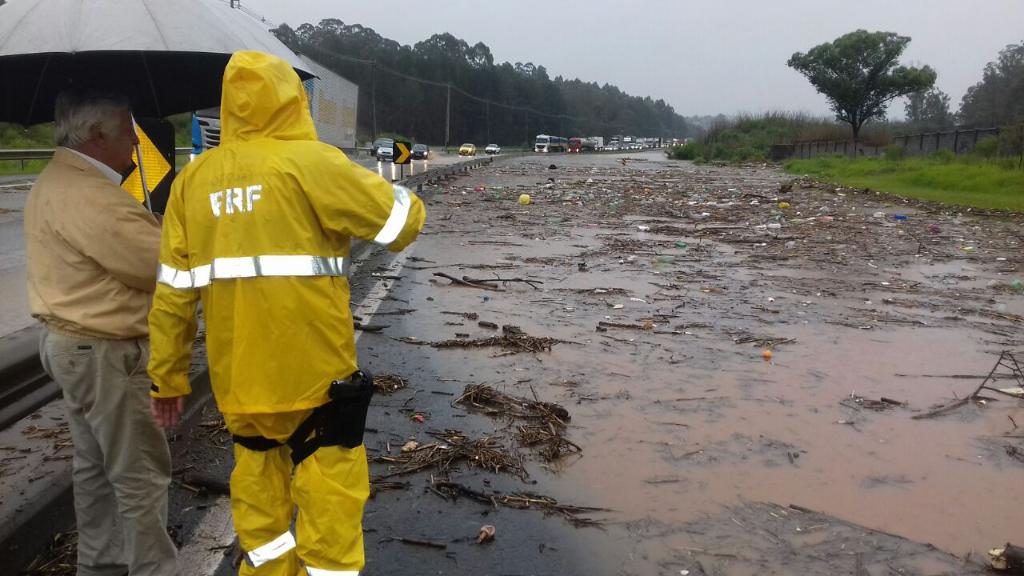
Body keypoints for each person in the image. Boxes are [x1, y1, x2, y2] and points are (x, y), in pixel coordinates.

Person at [148, 51, 425, 576]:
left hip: (242, 387)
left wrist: (167, 378)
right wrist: (406, 195)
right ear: (294, 102)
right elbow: (399, 227)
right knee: (331, 524)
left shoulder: (192, 182)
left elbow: (173, 295)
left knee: (262, 526)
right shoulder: (313, 163)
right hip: (316, 383)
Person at [24, 90, 178, 576]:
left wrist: (148, 220)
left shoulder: (59, 179)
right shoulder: (92, 195)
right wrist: (169, 232)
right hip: (106, 352)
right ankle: (154, 569)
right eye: (129, 129)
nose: (136, 141)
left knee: (94, 472)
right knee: (139, 477)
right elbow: (157, 265)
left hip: (70, 344)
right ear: (96, 136)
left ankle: (102, 565)